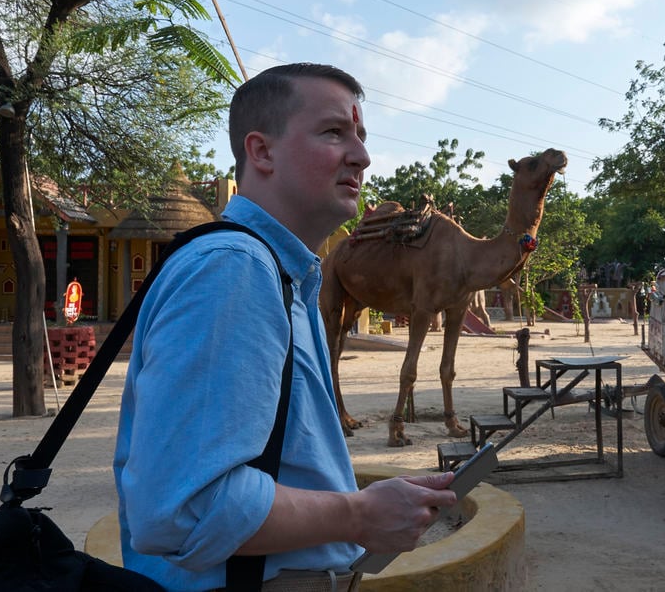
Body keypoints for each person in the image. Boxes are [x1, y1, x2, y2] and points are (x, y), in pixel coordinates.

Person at [113, 63, 457, 592]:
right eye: (333, 132)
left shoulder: (285, 275)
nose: (362, 156)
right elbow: (181, 507)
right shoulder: (234, 269)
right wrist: (359, 514)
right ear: (262, 152)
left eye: (361, 136)